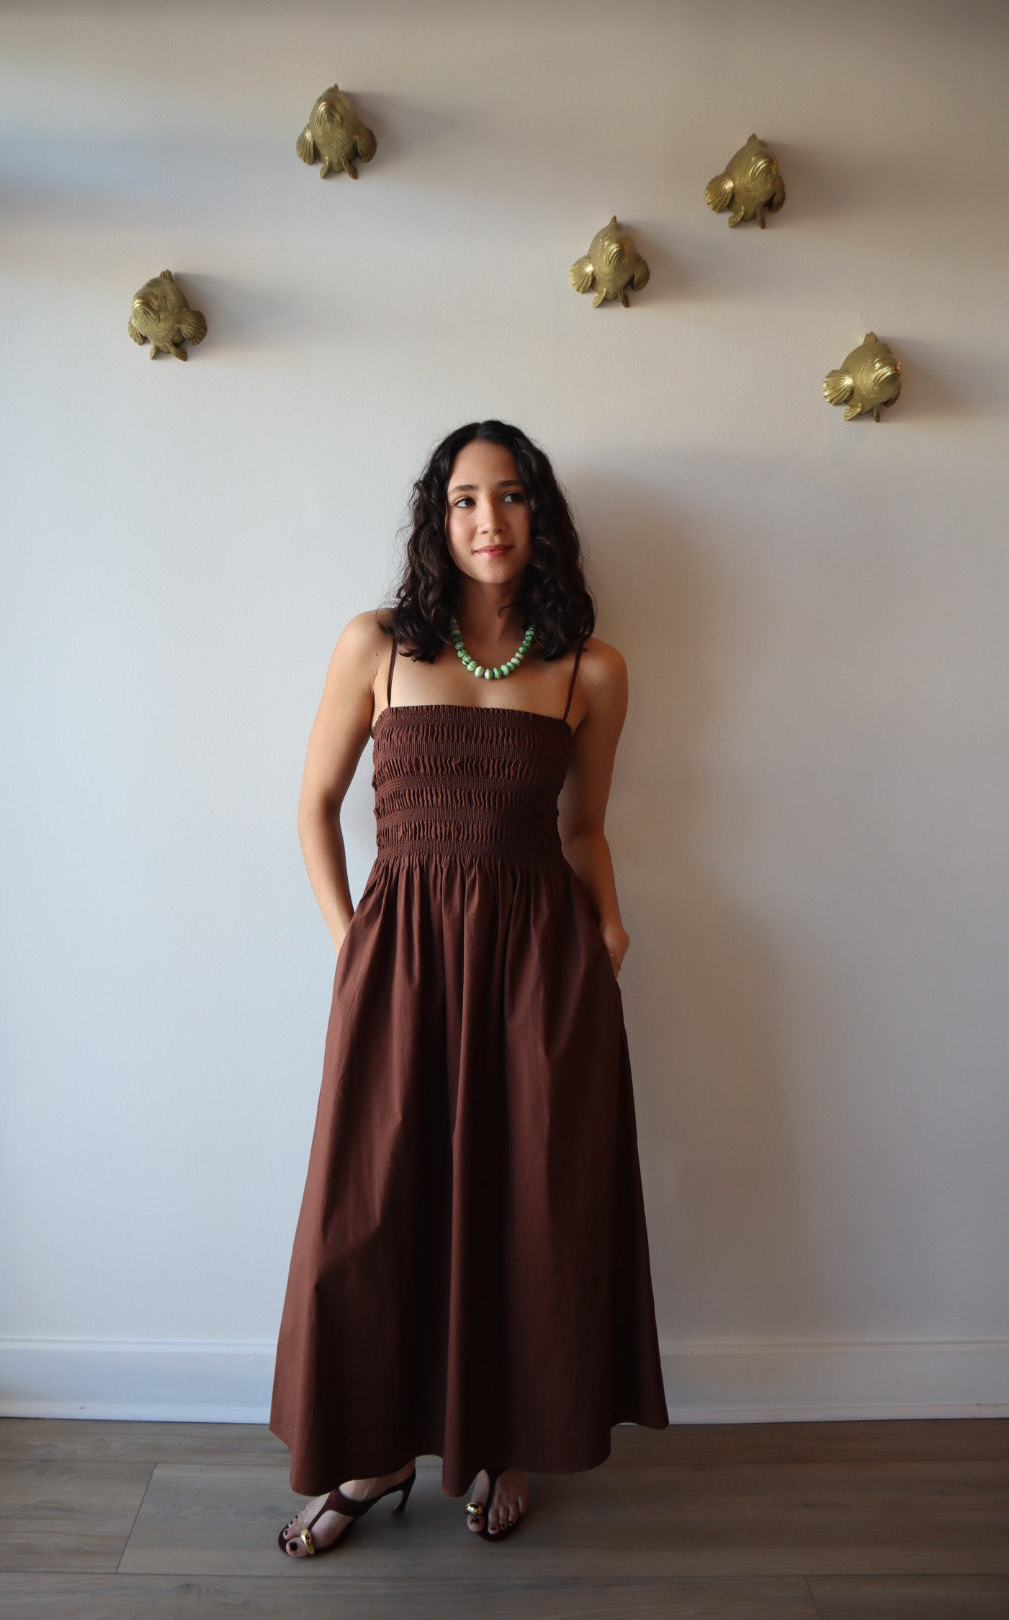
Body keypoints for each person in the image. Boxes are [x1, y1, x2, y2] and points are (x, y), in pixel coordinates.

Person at [270, 420, 668, 1557]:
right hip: (400, 971)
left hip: (543, 975)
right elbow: (313, 808)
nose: (486, 520)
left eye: (507, 497)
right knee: (372, 1213)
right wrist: (352, 942)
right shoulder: (377, 647)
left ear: (539, 516)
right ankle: (378, 1453)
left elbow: (584, 830)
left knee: (526, 1211)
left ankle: (500, 1441)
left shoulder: (592, 668)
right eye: (462, 501)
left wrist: (613, 925)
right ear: (436, 520)